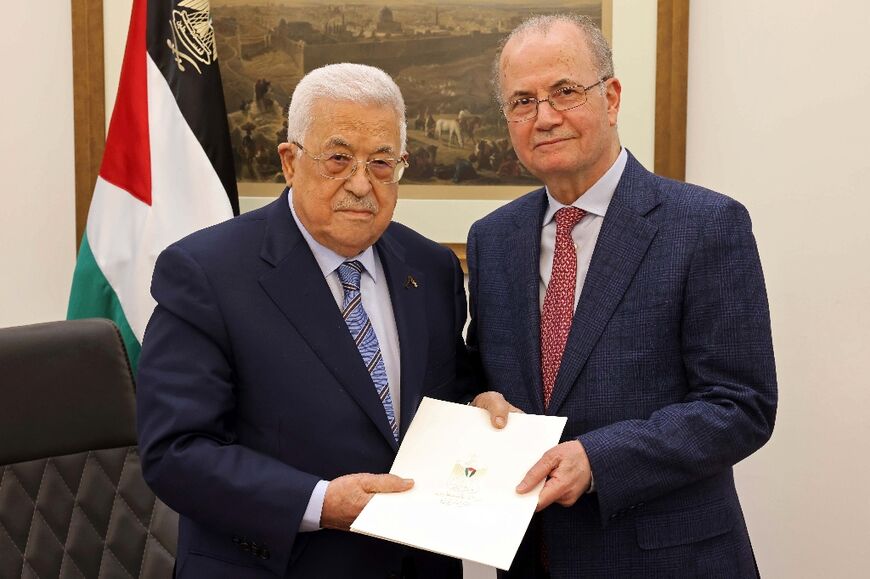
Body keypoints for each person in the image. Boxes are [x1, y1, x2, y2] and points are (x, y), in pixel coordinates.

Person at [468, 15, 777, 578]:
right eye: (522, 101)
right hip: (531, 559)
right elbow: (477, 371)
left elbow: (740, 407)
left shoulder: (708, 225)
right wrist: (478, 400)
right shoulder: (492, 239)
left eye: (565, 91)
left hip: (668, 561)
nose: (545, 117)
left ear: (610, 98)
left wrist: (598, 459)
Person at [137, 63, 471, 579]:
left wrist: (480, 403)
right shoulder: (206, 273)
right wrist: (319, 502)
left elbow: (443, 397)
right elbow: (177, 452)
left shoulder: (432, 268)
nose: (361, 184)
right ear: (290, 162)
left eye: (382, 163)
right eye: (338, 159)